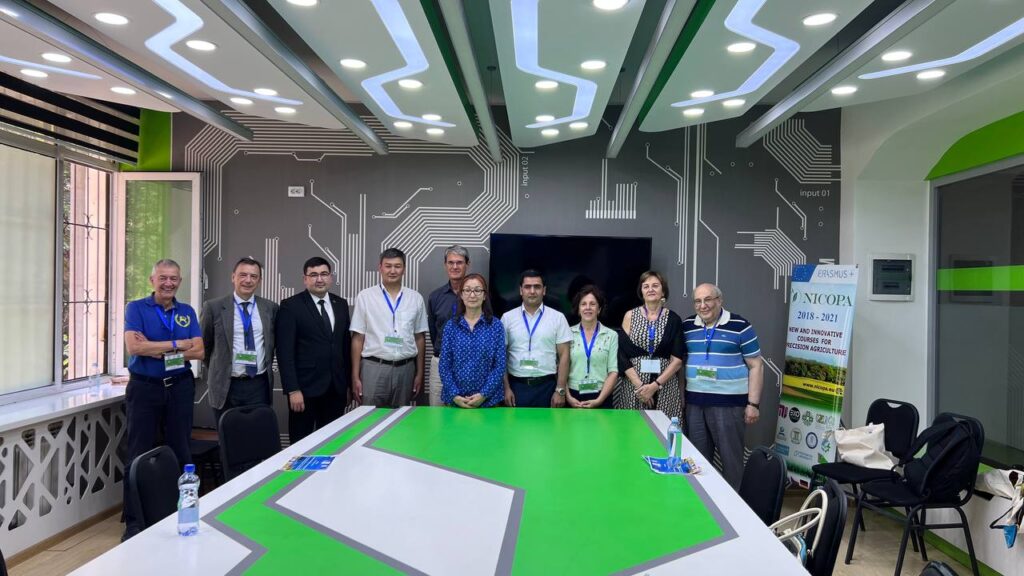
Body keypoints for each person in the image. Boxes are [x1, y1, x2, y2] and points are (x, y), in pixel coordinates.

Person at [122, 259, 203, 540]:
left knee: (180, 451)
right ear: (152, 280)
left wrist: (154, 348)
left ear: (180, 281)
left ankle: (179, 514)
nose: (168, 283)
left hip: (179, 387)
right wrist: (178, 344)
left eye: (174, 279)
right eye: (163, 278)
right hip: (145, 388)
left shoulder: (186, 311)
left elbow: (199, 351)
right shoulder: (136, 308)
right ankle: (134, 521)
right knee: (137, 454)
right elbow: (134, 347)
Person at [683, 282, 763, 490]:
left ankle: (733, 506)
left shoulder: (740, 325)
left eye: (708, 299)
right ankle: (701, 503)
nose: (702, 305)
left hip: (729, 405)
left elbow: (756, 365)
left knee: (731, 461)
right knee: (697, 461)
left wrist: (753, 404)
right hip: (695, 404)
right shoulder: (688, 326)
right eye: (697, 301)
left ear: (719, 300)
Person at [276, 257, 351, 444]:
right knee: (301, 444)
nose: (319, 279)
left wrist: (347, 385)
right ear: (305, 279)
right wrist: (293, 390)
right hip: (304, 391)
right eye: (313, 275)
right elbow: (285, 353)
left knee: (333, 443)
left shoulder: (340, 304)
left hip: (336, 389)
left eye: (324, 274)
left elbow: (345, 347)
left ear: (330, 277)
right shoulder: (291, 306)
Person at [200, 257, 278, 425]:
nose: (248, 280)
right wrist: (220, 368)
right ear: (233, 277)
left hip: (258, 385)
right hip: (226, 385)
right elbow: (204, 346)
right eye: (243, 275)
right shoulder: (213, 307)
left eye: (254, 276)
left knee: (256, 433)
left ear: (259, 281)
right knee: (228, 435)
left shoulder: (270, 308)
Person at [351, 248, 428, 407]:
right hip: (373, 368)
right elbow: (358, 338)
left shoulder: (415, 298)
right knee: (370, 418)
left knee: (401, 419)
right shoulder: (365, 297)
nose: (393, 271)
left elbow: (419, 338)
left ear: (404, 269)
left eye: (397, 266)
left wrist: (419, 373)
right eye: (388, 266)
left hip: (406, 369)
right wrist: (355, 376)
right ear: (380, 268)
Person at [613, 271, 686, 419]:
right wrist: (640, 386)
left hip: (665, 388)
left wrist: (654, 386)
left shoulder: (674, 319)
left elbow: (677, 360)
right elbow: (622, 354)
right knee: (632, 429)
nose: (650, 289)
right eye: (646, 286)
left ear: (663, 291)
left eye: (655, 286)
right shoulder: (630, 316)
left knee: (663, 430)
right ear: (641, 291)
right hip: (634, 388)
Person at [502, 270, 571, 408]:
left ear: (544, 290)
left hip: (547, 388)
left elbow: (564, 355)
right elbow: (501, 355)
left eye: (537, 287)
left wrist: (560, 390)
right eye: (527, 287)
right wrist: (506, 388)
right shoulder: (507, 318)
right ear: (521, 290)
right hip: (516, 388)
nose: (532, 291)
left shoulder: (558, 318)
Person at [438, 273, 505, 408]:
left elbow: (499, 365)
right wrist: (455, 395)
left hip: (488, 400)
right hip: (456, 400)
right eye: (467, 290)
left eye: (477, 290)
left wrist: (483, 394)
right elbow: (444, 365)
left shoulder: (496, 326)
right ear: (461, 295)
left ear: (484, 295)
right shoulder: (451, 326)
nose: (472, 295)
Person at [427, 245, 469, 406]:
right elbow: (434, 331)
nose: (455, 266)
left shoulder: (477, 295)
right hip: (440, 361)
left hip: (469, 363)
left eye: (459, 262)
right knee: (437, 412)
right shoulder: (435, 297)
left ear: (467, 264)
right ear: (445, 265)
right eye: (451, 262)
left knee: (466, 413)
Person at [566, 285, 618, 409]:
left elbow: (613, 372)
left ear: (599, 309)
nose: (588, 307)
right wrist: (568, 397)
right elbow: (560, 368)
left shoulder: (611, 335)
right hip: (573, 396)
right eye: (583, 304)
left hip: (601, 395)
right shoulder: (567, 333)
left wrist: (599, 400)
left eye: (592, 304)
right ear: (578, 309)